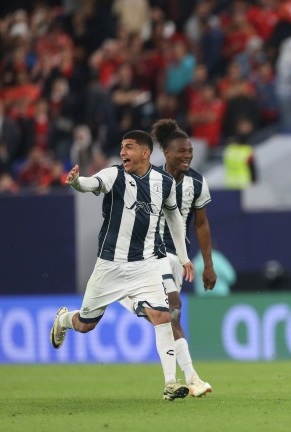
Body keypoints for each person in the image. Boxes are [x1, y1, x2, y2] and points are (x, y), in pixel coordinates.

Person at [49, 130, 196, 401]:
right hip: (110, 266)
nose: (122, 153)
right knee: (85, 324)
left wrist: (185, 257)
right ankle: (63, 319)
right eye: (121, 147)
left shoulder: (163, 182)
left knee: (163, 316)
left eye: (128, 147)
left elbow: (174, 217)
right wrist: (76, 182)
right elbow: (92, 184)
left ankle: (171, 383)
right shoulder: (114, 175)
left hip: (146, 265)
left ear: (145, 152)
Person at [120, 119, 215, 397]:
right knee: (172, 307)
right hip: (151, 255)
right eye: (181, 151)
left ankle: (133, 302)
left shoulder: (197, 182)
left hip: (176, 258)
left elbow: (201, 224)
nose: (187, 155)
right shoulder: (150, 178)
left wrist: (206, 264)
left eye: (190, 151)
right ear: (167, 154)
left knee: (169, 317)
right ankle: (190, 378)